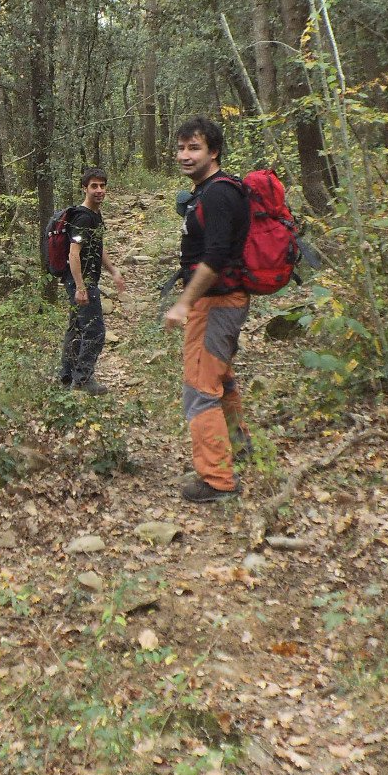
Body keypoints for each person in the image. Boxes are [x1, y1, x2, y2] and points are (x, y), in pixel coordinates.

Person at [163, 117, 253, 503]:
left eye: (194, 148)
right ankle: (239, 447)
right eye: (181, 148)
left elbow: (215, 257)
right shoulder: (211, 190)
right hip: (224, 301)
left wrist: (184, 302)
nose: (185, 155)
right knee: (222, 380)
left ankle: (217, 479)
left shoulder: (217, 194)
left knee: (200, 390)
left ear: (213, 151)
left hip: (215, 303)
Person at [59, 167, 126, 395]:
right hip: (82, 281)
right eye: (94, 186)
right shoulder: (83, 217)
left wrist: (114, 271)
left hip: (84, 281)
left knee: (77, 329)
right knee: (95, 331)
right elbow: (73, 253)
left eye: (102, 186)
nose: (99, 190)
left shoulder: (95, 215)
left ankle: (67, 375)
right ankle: (83, 379)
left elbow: (98, 247)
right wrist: (80, 287)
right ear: (84, 188)